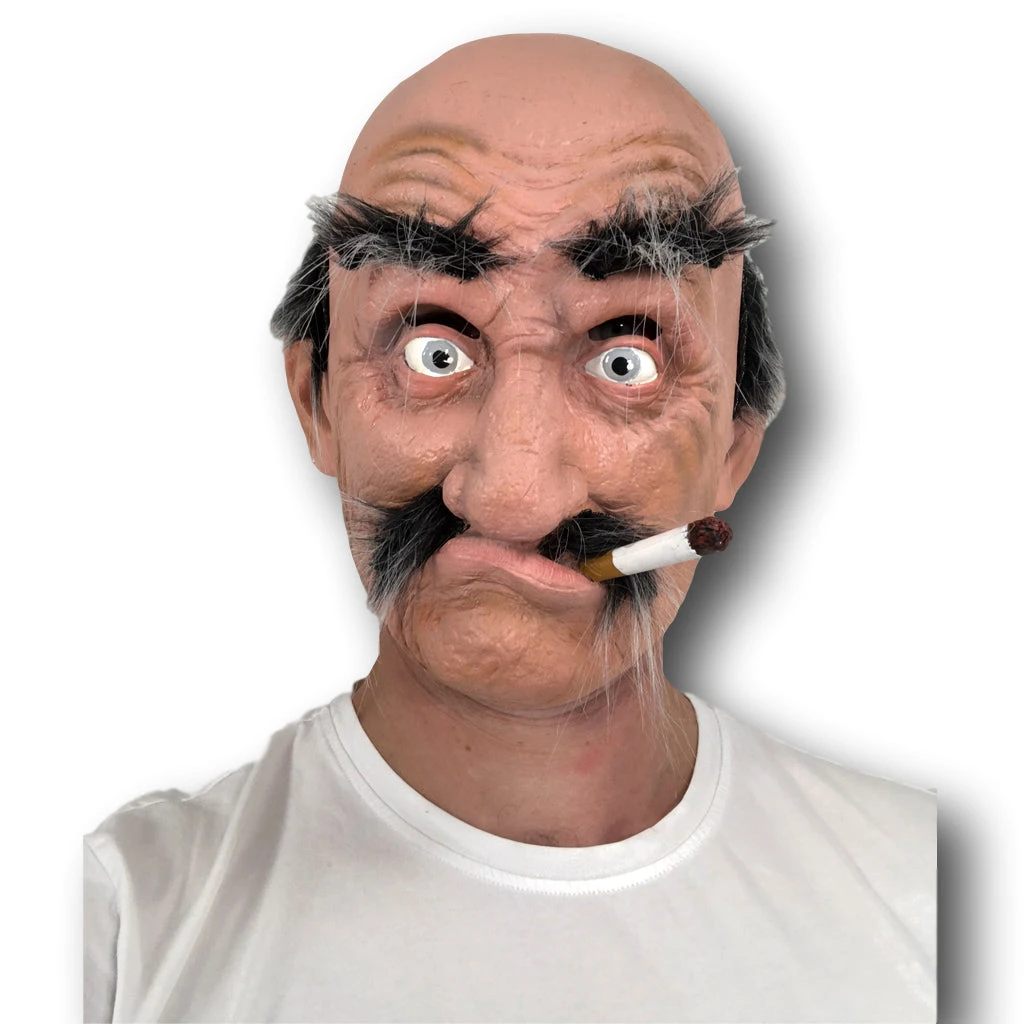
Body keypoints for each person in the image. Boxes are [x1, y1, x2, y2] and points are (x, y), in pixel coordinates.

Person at [83, 33, 936, 1023]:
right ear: (316, 401)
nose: (515, 495)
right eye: (433, 350)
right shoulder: (121, 923)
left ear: (735, 445)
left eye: (627, 360)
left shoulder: (922, 891)